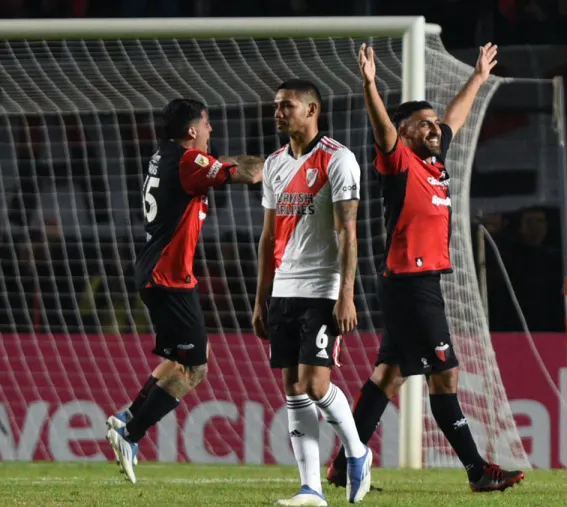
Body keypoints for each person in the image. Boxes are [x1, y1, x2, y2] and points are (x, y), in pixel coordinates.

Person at [325, 42, 524, 492]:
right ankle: (477, 470)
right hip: (411, 284)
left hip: (419, 281)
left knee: (388, 375)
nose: (436, 128)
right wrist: (370, 85)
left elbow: (455, 117)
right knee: (445, 373)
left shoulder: (434, 163)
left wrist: (476, 78)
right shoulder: (398, 162)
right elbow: (381, 127)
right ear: (406, 131)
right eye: (425, 124)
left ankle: (341, 465)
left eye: (434, 123)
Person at [105, 98, 264, 484]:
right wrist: (284, 157)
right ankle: (130, 432)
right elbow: (252, 175)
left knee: (194, 357)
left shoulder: (166, 155)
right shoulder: (189, 163)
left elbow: (221, 164)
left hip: (167, 274)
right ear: (192, 130)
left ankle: (128, 418)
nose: (211, 131)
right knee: (195, 366)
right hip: (167, 276)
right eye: (207, 125)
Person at [252, 79, 371, 507]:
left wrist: (346, 294)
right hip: (284, 288)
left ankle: (357, 452)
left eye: (287, 106)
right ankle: (311, 489)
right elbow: (267, 238)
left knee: (315, 384)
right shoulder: (273, 164)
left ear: (312, 110)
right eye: (276, 106)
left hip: (323, 288)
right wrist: (260, 298)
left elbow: (348, 232)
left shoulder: (339, 160)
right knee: (292, 389)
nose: (278, 112)